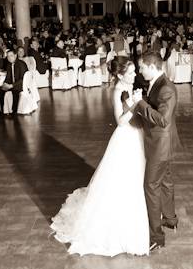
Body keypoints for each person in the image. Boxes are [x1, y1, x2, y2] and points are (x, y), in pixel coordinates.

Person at [51, 56, 149, 257]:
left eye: (134, 71)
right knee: (121, 180)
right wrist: (134, 104)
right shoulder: (117, 91)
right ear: (120, 75)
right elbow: (120, 121)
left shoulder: (130, 86)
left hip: (136, 135)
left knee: (136, 177)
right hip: (125, 138)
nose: (135, 74)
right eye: (130, 72)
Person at [130, 52, 181, 252]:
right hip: (162, 143)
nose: (140, 71)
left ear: (152, 66)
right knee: (166, 181)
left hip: (160, 145)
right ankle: (170, 219)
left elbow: (162, 119)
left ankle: (156, 237)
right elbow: (154, 105)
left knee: (151, 186)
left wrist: (140, 103)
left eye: (142, 67)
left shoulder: (166, 87)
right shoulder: (158, 83)